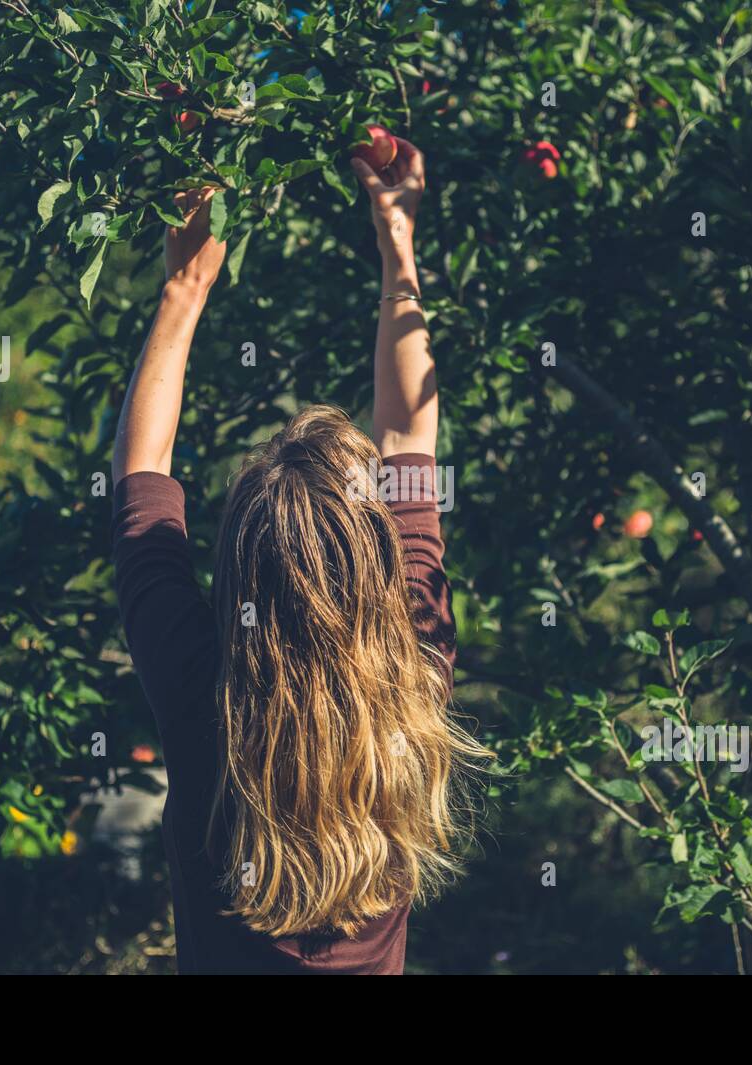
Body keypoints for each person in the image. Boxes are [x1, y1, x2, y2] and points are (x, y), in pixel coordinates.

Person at [110, 137, 488, 974]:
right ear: (375, 564)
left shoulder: (200, 696)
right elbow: (407, 429)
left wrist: (187, 282)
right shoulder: (414, 665)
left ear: (243, 570)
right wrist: (398, 242)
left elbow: (142, 477)